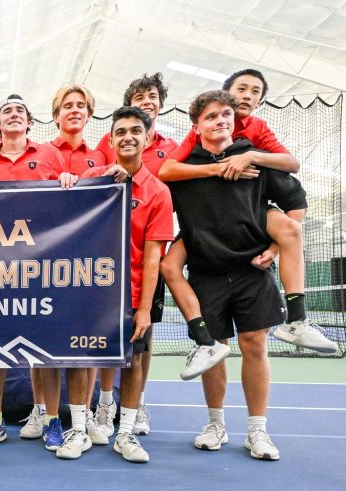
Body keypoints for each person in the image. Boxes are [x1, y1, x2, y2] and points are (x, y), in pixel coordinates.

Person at [158, 69, 336, 371]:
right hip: (205, 228)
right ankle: (205, 342)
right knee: (168, 265)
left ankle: (296, 319)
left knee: (290, 228)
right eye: (242, 88)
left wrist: (251, 156)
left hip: (250, 216)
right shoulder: (200, 130)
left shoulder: (257, 130)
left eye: (256, 92)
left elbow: (292, 165)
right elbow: (167, 170)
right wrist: (219, 169)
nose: (248, 96)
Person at [166, 90, 308, 461]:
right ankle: (216, 424)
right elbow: (157, 174)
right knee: (215, 352)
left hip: (251, 270)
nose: (221, 120)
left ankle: (257, 431)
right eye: (212, 116)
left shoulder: (254, 157)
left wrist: (276, 247)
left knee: (255, 346)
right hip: (206, 271)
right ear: (196, 125)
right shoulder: (185, 165)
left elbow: (296, 206)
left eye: (226, 114)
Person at [0, 94, 75, 452]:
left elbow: (66, 205)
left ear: (29, 122)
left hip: (40, 267)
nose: (13, 115)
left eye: (19, 111)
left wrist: (66, 177)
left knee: (44, 349)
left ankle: (51, 421)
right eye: (6, 112)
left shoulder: (50, 155)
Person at [82, 106, 174, 462]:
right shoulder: (99, 182)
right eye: (121, 132)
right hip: (93, 294)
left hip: (134, 294)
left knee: (134, 363)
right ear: (110, 140)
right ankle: (81, 425)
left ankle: (126, 433)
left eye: (136, 131)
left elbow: (154, 258)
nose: (128, 137)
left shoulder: (159, 193)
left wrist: (144, 309)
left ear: (148, 138)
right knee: (85, 360)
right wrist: (78, 181)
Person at [44, 84, 111, 452]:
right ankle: (48, 414)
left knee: (86, 349)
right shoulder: (42, 154)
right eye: (67, 106)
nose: (74, 111)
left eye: (81, 106)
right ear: (56, 115)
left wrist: (103, 174)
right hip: (47, 269)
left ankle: (83, 422)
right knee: (48, 349)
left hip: (87, 270)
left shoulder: (101, 155)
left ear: (89, 114)